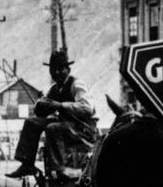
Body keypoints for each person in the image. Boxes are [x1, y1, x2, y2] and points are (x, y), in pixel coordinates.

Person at [6, 50, 98, 178]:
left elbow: (87, 108)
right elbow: (40, 112)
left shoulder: (77, 84)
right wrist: (41, 104)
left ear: (68, 70)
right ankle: (27, 164)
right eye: (53, 70)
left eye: (60, 69)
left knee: (53, 128)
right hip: (67, 127)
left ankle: (60, 169)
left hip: (83, 130)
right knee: (31, 122)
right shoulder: (54, 89)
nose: (57, 73)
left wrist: (60, 105)